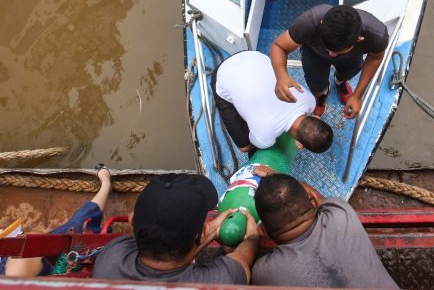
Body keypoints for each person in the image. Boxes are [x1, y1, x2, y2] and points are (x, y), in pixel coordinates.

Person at [92, 173, 258, 284]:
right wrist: (253, 238)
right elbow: (243, 258)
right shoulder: (221, 280)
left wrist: (210, 231)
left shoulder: (112, 255)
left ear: (132, 220)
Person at [252, 173, 398, 289]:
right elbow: (317, 196)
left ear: (263, 231)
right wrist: (275, 176)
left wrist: (250, 238)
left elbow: (246, 253)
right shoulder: (340, 213)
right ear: (313, 201)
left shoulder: (265, 272)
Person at [0, 164, 113, 277]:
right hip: (43, 274)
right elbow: (34, 242)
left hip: (11, 276)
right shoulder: (18, 271)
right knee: (77, 224)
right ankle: (106, 185)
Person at [271, 4, 389, 118]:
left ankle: (340, 82)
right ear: (321, 24)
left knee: (348, 73)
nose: (332, 54)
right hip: (314, 54)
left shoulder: (377, 35)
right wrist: (281, 75)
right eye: (327, 47)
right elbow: (279, 46)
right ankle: (321, 94)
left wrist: (358, 95)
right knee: (316, 85)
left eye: (338, 51)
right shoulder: (309, 22)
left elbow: (375, 57)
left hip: (352, 58)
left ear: (359, 39)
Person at [212, 50, 333, 154]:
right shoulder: (263, 139)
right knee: (245, 147)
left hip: (252, 56)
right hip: (222, 74)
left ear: (316, 119)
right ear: (299, 142)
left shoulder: (310, 101)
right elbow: (254, 143)